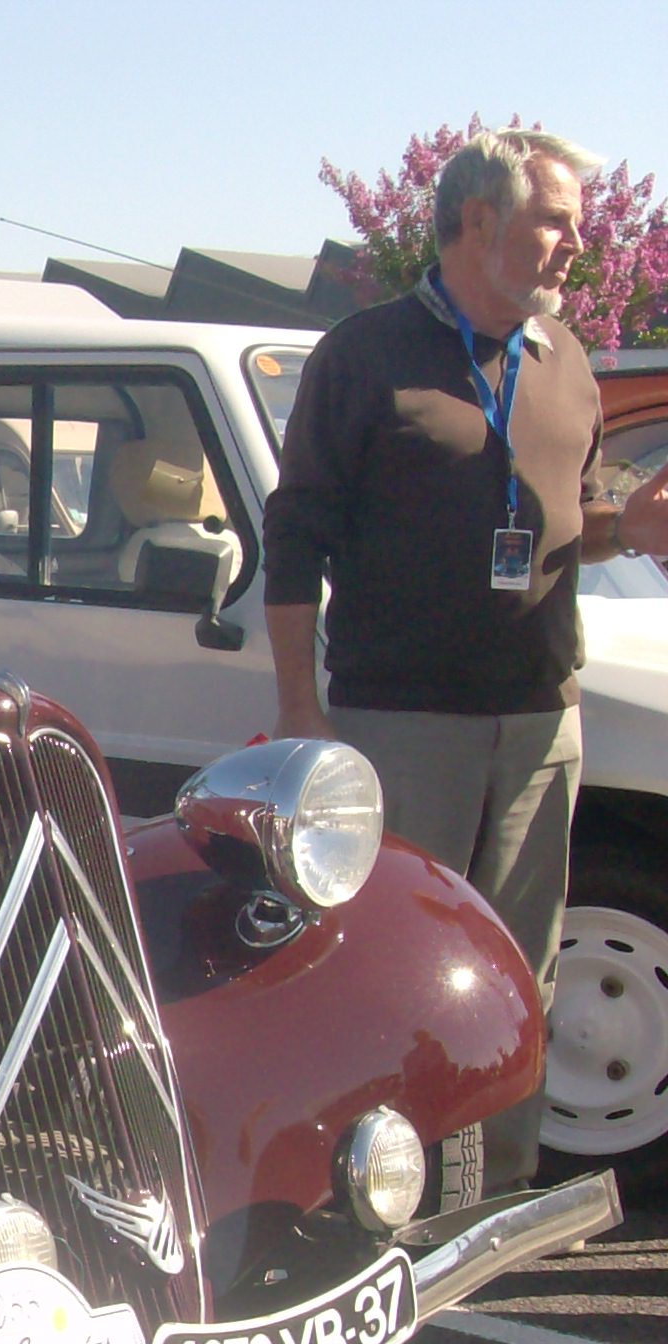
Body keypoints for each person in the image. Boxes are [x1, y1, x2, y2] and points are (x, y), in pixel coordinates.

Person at [265, 127, 668, 1192]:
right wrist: (298, 709)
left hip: (539, 718)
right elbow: (294, 531)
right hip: (403, 722)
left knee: (517, 975)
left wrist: (631, 532)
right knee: (396, 970)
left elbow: (550, 524)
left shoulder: (563, 359)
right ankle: (377, 1197)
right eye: (553, 221)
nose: (573, 245)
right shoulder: (363, 355)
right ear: (476, 221)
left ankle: (490, 1199)